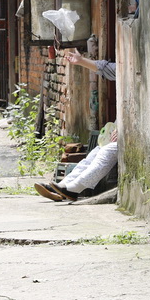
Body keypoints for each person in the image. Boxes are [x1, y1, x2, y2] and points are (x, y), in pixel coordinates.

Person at [34, 48, 118, 202]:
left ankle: (74, 189)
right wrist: (81, 61)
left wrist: (125, 130)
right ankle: (63, 186)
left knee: (107, 153)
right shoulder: (127, 69)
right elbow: (106, 68)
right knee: (94, 154)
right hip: (118, 133)